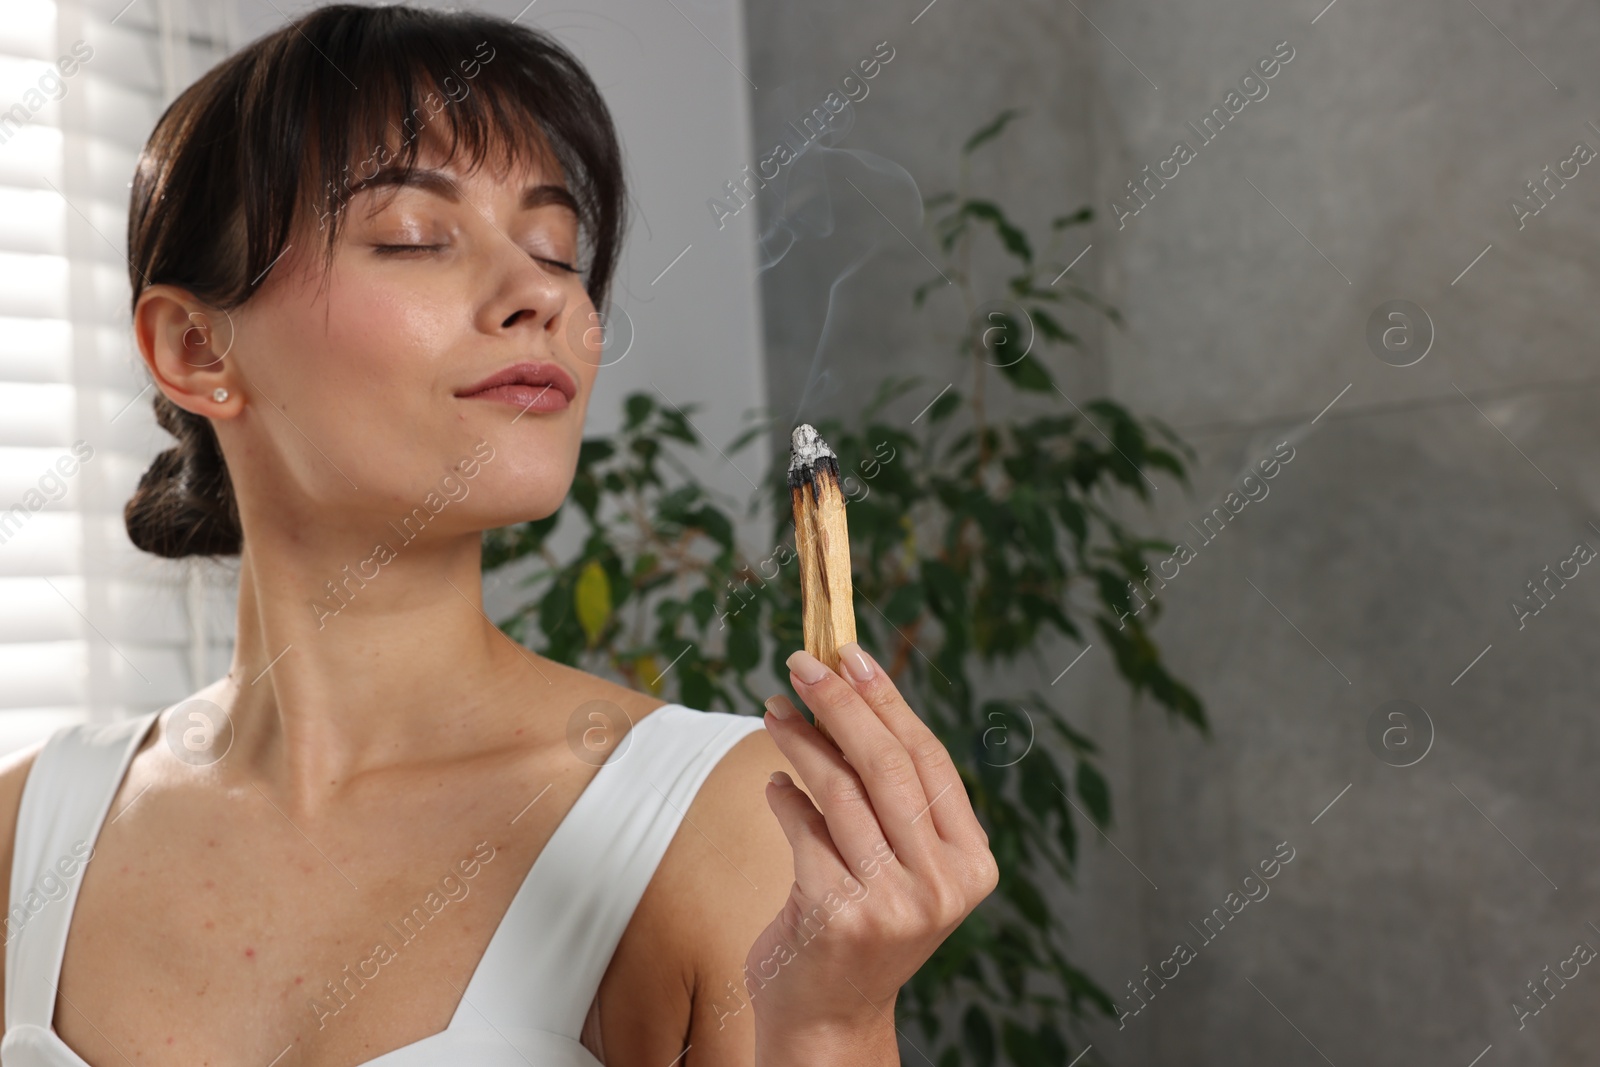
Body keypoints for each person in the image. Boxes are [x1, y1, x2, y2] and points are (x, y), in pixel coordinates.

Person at [0, 6, 997, 1066]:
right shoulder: (27, 838)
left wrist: (833, 1022)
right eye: (416, 238)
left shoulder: (730, 825)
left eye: (557, 248)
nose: (541, 295)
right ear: (196, 347)